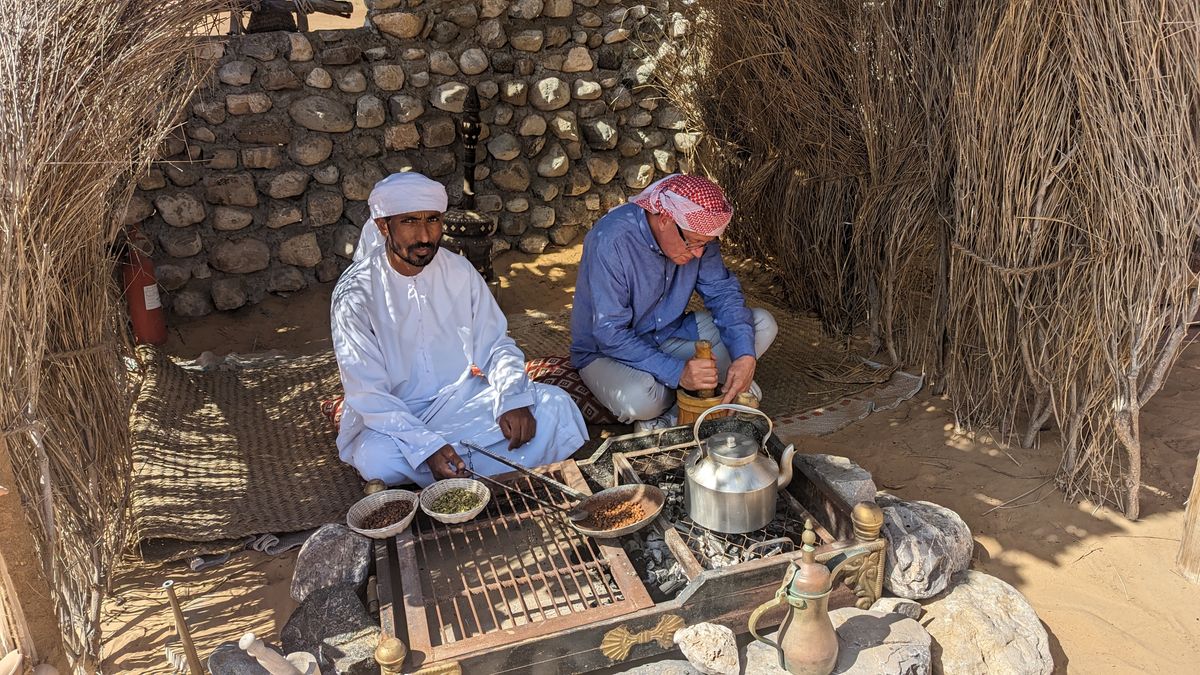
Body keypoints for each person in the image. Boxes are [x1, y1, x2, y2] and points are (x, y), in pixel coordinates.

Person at [331, 172, 588, 486]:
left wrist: (512, 399)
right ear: (384, 226)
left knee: (556, 407)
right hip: (398, 417)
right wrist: (426, 446)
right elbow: (367, 392)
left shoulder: (459, 271)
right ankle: (489, 469)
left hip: (466, 399)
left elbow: (495, 344)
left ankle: (451, 477)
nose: (425, 235)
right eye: (410, 221)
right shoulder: (355, 293)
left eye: (433, 220)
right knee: (377, 460)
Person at [570, 173, 778, 430]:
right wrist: (678, 373)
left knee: (762, 325)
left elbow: (723, 294)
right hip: (608, 353)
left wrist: (746, 358)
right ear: (666, 220)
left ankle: (680, 412)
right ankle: (711, 399)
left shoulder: (696, 236)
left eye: (706, 244)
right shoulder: (610, 241)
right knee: (640, 400)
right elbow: (609, 333)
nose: (699, 253)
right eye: (694, 243)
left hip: (669, 334)